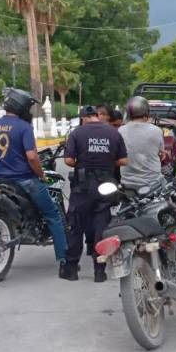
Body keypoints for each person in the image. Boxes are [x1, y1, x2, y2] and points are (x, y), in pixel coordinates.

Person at [0, 88, 69, 272]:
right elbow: (31, 156)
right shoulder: (24, 127)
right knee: (52, 214)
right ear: (21, 107)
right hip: (25, 180)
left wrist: (5, 163)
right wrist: (41, 175)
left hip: (1, 181)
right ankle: (64, 260)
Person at [62, 105, 128, 282]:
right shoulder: (114, 133)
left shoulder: (77, 133)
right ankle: (100, 271)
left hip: (82, 187)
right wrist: (106, 163)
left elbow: (68, 160)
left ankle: (71, 269)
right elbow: (123, 160)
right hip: (106, 186)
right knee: (101, 226)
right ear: (96, 116)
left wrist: (83, 164)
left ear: (84, 118)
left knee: (75, 225)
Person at [118, 96, 166, 193]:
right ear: (146, 112)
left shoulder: (120, 130)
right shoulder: (157, 131)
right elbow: (161, 154)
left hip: (127, 184)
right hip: (153, 183)